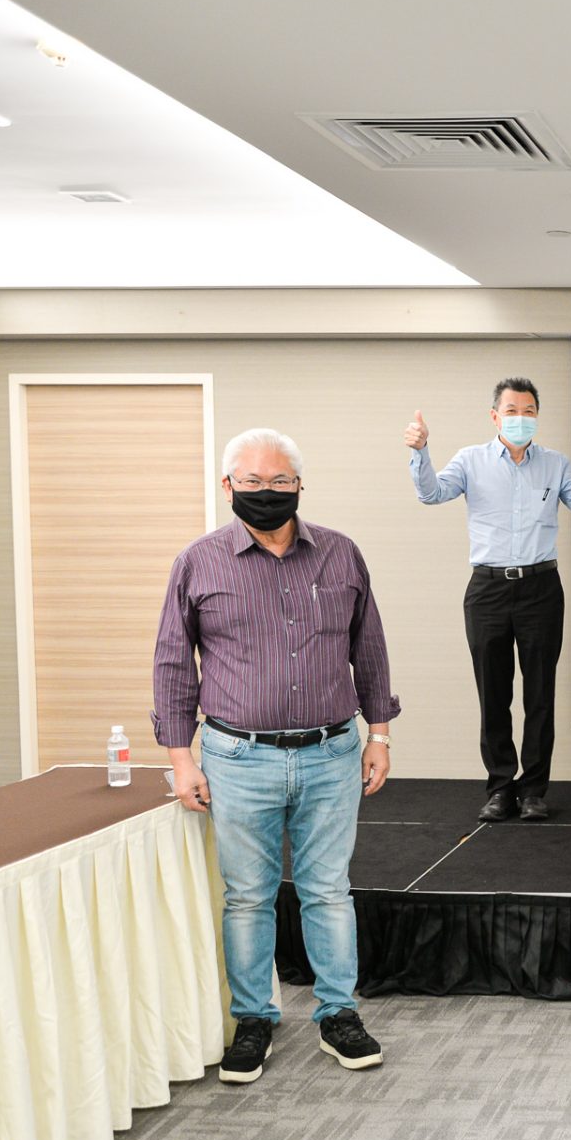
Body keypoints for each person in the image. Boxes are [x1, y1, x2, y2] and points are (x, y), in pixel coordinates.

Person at [153, 428, 400, 1085]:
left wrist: (379, 735)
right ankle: (253, 1020)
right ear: (227, 486)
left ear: (299, 486)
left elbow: (369, 647)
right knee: (247, 898)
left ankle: (338, 1014)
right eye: (253, 482)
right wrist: (180, 758)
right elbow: (173, 662)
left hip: (331, 753)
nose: (267, 492)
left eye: (280, 482)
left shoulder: (341, 554)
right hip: (237, 758)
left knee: (328, 892)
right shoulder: (198, 562)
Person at [406, 377, 571, 823]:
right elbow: (431, 493)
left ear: (536, 417)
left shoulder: (555, 464)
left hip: (540, 588)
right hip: (487, 589)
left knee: (540, 693)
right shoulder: (470, 460)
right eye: (511, 411)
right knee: (493, 693)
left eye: (528, 411)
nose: (520, 419)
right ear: (495, 416)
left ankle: (533, 792)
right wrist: (420, 450)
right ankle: (500, 788)